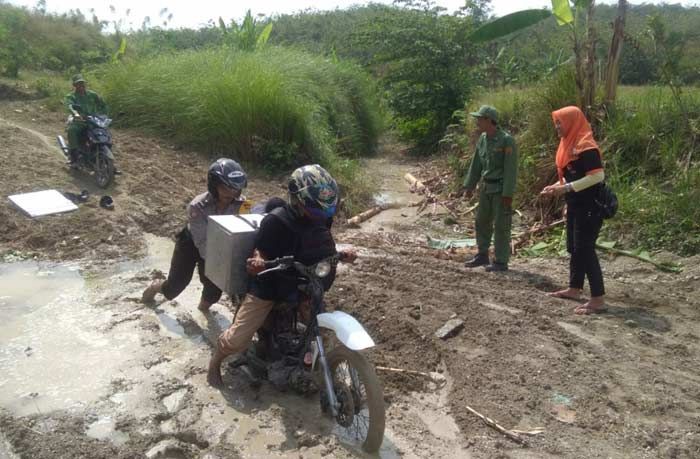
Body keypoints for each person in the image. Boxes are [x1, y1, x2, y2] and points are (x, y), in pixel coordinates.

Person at [207, 164, 356, 387]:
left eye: (326, 209)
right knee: (238, 339)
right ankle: (215, 362)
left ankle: (319, 365)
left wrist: (341, 254)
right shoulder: (276, 221)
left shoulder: (321, 217)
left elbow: (319, 244)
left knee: (320, 330)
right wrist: (258, 261)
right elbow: (261, 251)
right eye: (317, 209)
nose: (322, 215)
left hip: (305, 280)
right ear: (297, 200)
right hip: (271, 282)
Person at [142, 158, 251, 311]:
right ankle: (154, 287)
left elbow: (244, 230)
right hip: (192, 243)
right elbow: (202, 243)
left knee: (213, 291)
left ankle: (202, 313)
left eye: (236, 189)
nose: (231, 193)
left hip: (219, 245)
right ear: (214, 185)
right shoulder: (198, 206)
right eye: (226, 188)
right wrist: (223, 263)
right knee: (175, 287)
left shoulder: (243, 205)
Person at [540, 106, 606, 315]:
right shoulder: (567, 144)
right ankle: (574, 288)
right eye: (556, 123)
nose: (557, 127)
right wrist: (557, 188)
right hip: (576, 204)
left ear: (571, 122)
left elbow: (597, 177)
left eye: (559, 123)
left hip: (590, 206)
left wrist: (565, 188)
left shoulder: (586, 145)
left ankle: (597, 299)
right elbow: (570, 176)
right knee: (574, 248)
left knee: (585, 249)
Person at [462, 105, 518, 272]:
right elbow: (476, 164)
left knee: (501, 225)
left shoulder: (507, 140)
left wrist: (508, 193)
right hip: (486, 188)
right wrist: (469, 185)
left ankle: (501, 261)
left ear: (488, 120)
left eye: (479, 119)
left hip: (500, 190)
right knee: (481, 222)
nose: (477, 122)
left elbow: (510, 169)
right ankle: (482, 255)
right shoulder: (483, 139)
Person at [63, 74, 108, 165]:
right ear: (74, 85)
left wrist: (104, 115)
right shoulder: (71, 96)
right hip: (80, 121)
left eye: (82, 83)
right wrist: (76, 114)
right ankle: (74, 157)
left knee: (104, 134)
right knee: (72, 130)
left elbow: (103, 105)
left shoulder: (93, 95)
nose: (81, 86)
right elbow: (70, 106)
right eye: (78, 84)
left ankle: (107, 159)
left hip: (93, 120)